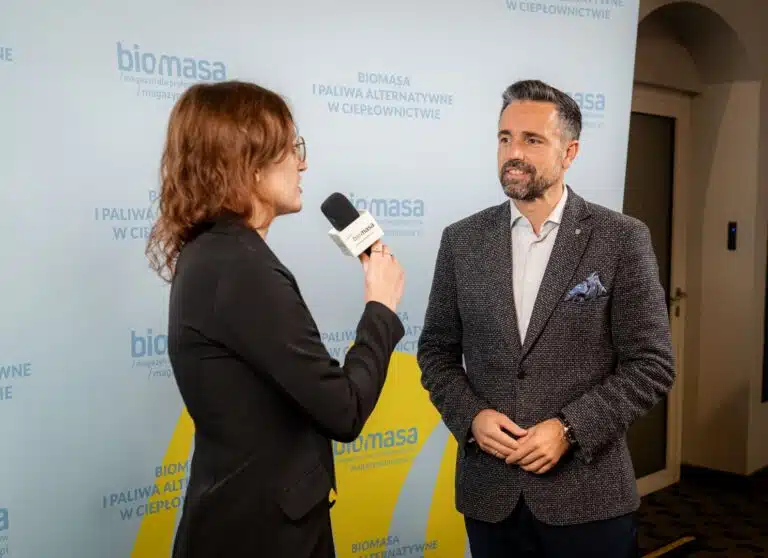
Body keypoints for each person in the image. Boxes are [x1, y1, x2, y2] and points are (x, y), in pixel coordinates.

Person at [417, 79, 676, 558]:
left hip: (589, 500)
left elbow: (652, 365)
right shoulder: (462, 240)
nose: (513, 153)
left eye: (532, 140)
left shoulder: (621, 238)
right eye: (505, 138)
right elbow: (436, 352)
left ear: (569, 152)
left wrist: (570, 428)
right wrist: (471, 417)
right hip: (490, 497)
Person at [145, 80, 405, 558]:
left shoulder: (216, 254)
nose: (302, 164)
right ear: (248, 162)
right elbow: (343, 410)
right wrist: (380, 309)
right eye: (290, 148)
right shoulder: (240, 268)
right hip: (261, 536)